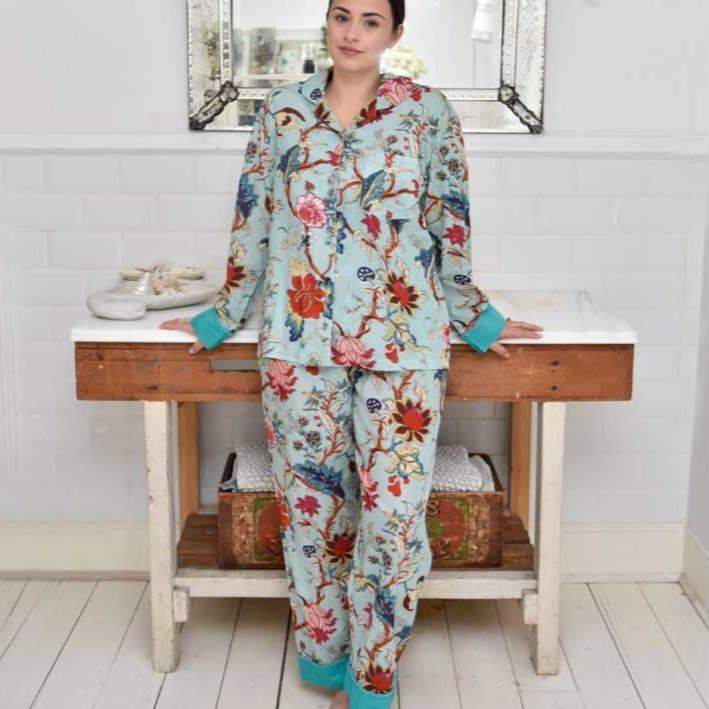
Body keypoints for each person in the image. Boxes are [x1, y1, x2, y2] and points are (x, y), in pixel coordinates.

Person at [161, 1, 543, 706]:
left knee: (393, 518)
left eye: (370, 20)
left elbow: (450, 220)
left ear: (395, 34)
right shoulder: (281, 112)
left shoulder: (427, 113)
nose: (352, 32)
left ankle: (372, 678)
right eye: (341, 15)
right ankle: (324, 658)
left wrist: (476, 317)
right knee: (312, 516)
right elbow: (254, 218)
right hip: (298, 345)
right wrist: (223, 314)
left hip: (403, 344)